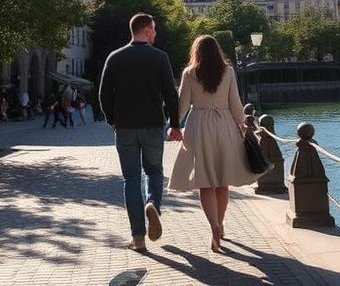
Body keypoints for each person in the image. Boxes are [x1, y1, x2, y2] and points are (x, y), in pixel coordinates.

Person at [168, 34, 261, 253]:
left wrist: (173, 126)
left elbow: (182, 106)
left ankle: (214, 226)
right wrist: (243, 126)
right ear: (217, 51)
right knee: (222, 181)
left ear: (196, 52)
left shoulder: (189, 73)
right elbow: (236, 104)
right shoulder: (228, 72)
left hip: (198, 126)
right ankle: (222, 222)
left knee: (205, 181)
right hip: (225, 125)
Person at [99, 13, 183, 253]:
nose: (155, 33)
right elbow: (170, 94)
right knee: (154, 171)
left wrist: (112, 119)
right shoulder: (159, 58)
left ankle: (138, 239)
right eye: (154, 29)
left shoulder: (114, 58)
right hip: (153, 126)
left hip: (125, 127)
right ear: (146, 30)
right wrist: (175, 124)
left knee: (131, 180)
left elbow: (104, 95)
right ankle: (153, 204)